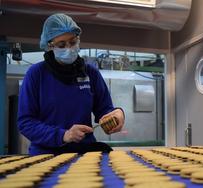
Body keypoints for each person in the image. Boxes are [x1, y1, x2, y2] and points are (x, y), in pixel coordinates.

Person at [17, 13, 125, 155]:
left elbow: (104, 110)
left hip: (85, 154)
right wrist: (64, 135)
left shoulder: (90, 73)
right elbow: (26, 122)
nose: (69, 48)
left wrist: (117, 114)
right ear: (50, 46)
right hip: (47, 155)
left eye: (73, 42)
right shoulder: (36, 74)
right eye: (61, 45)